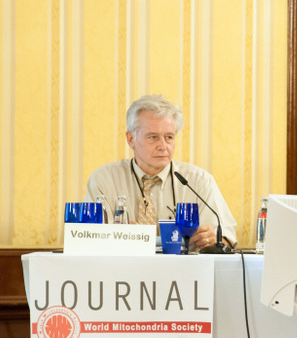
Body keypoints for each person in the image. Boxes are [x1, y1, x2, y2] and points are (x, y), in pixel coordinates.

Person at [85, 94, 238, 249]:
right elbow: (88, 239)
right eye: (153, 137)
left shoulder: (199, 181)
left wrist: (215, 241)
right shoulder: (104, 180)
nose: (163, 146)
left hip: (183, 264)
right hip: (123, 263)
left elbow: (227, 240)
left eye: (169, 137)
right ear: (131, 139)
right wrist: (122, 237)